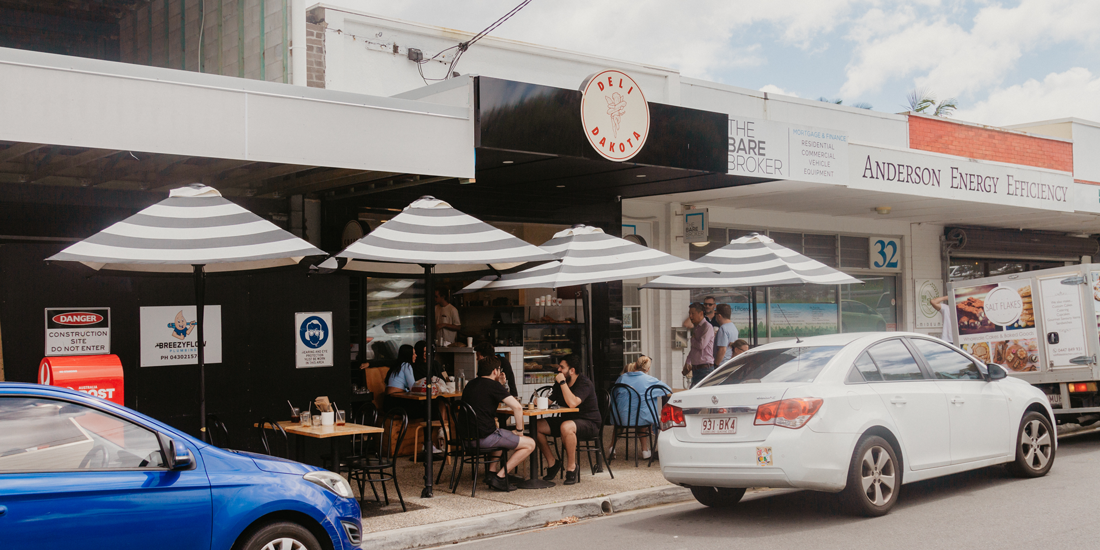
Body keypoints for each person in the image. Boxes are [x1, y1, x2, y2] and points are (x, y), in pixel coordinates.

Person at [462, 356, 536, 492]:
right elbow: (517, 407)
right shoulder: (492, 385)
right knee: (530, 443)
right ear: (495, 371)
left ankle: (491, 473)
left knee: (501, 434)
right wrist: (519, 430)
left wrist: (500, 385)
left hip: (467, 439)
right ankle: (500, 477)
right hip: (484, 438)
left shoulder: (470, 384)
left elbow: (486, 397)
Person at [536, 354, 601, 485]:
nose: (558, 370)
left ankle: (572, 467)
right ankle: (552, 463)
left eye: (562, 367)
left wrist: (562, 383)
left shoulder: (584, 383)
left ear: (572, 370)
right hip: (566, 419)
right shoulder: (559, 383)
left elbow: (572, 403)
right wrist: (538, 401)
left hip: (589, 422)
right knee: (536, 426)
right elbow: (549, 400)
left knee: (566, 427)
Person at [612, 355, 669, 459]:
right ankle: (645, 450)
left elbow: (614, 395)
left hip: (622, 418)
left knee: (632, 413)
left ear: (635, 365)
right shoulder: (650, 380)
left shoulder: (622, 378)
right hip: (642, 419)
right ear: (648, 369)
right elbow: (668, 391)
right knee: (642, 412)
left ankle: (612, 448)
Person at [682, 302, 715, 388]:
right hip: (696, 368)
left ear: (701, 313)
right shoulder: (696, 328)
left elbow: (701, 345)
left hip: (705, 368)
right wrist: (688, 362)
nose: (690, 316)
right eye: (689, 313)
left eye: (693, 313)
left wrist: (692, 339)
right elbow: (693, 349)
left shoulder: (707, 327)